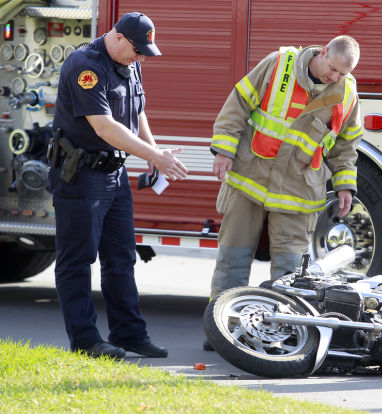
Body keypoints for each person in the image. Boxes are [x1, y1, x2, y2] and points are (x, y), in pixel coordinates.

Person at [204, 36, 362, 349]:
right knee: (232, 260)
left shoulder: (346, 92)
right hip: (250, 180)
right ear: (323, 52)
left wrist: (345, 183)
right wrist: (223, 149)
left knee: (290, 272)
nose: (335, 78)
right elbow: (238, 103)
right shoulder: (280, 65)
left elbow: (346, 144)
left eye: (343, 74)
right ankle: (222, 330)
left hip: (298, 192)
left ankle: (280, 335)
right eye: (332, 70)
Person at [49, 12, 188, 359]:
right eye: (137, 51)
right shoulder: (87, 66)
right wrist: (156, 158)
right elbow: (105, 127)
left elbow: (136, 110)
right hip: (81, 175)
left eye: (144, 53)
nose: (141, 58)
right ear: (118, 37)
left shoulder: (129, 61)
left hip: (115, 175)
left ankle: (129, 335)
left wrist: (154, 152)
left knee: (121, 258)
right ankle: (85, 341)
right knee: (78, 261)